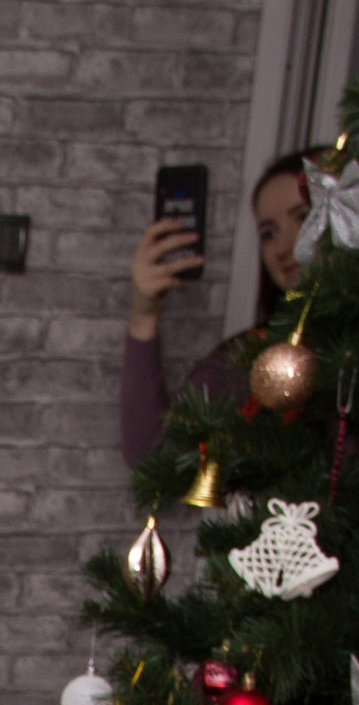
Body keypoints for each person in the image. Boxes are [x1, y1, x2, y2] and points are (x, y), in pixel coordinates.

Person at [119, 151, 314, 468]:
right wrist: (144, 315)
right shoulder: (253, 357)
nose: (284, 246)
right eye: (269, 233)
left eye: (303, 218)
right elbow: (153, 455)